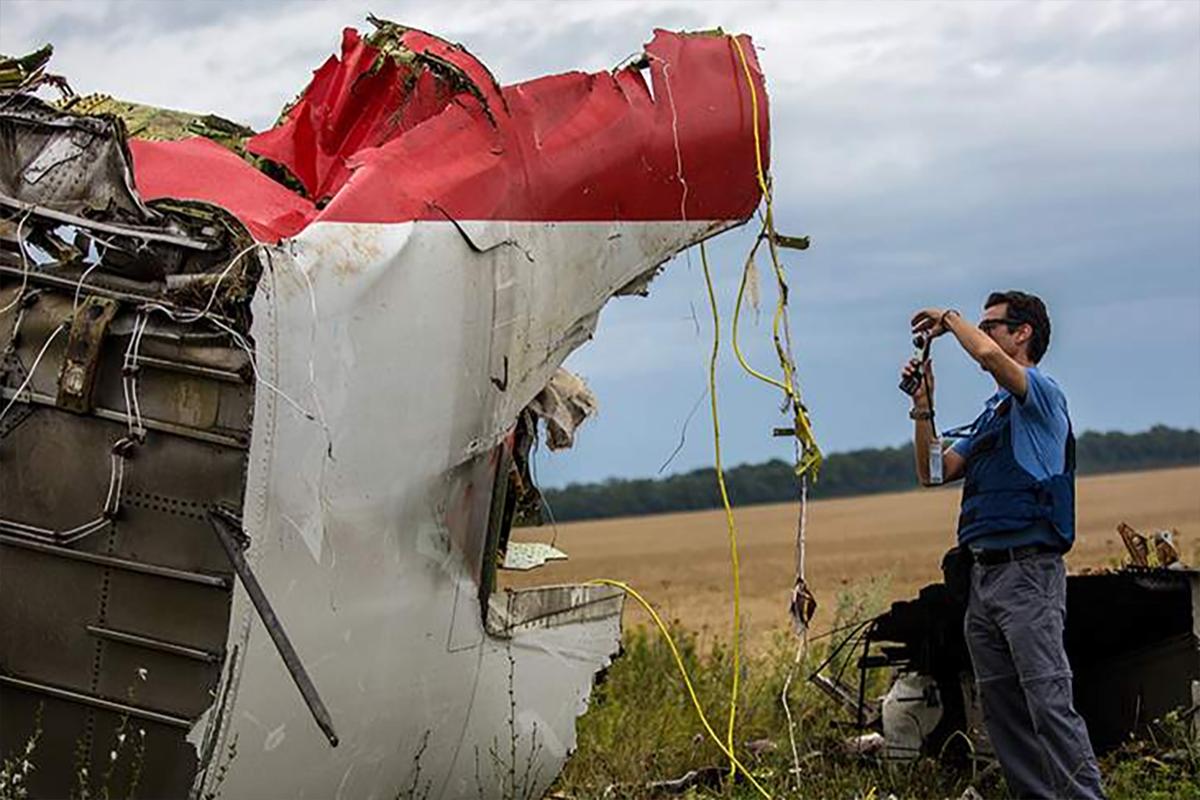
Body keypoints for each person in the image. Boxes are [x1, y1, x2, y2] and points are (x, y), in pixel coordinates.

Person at [903, 291, 1106, 800]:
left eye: (993, 324)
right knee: (1003, 712)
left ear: (1024, 334)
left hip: (1028, 574)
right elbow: (933, 472)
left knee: (1048, 702)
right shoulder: (994, 413)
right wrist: (922, 406)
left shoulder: (1041, 393)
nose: (984, 332)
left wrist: (949, 319)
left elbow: (989, 358)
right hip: (983, 577)